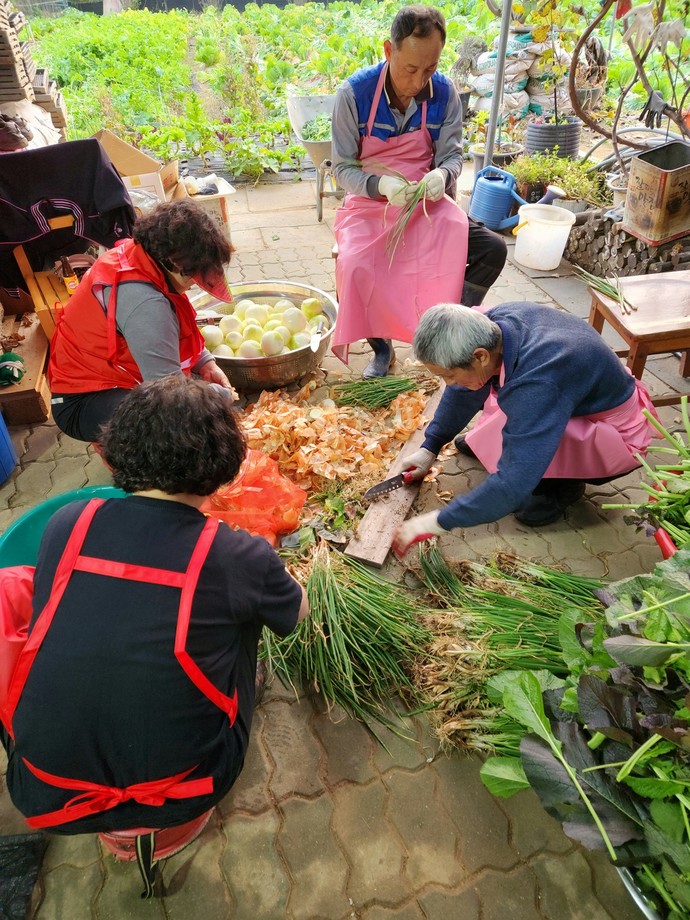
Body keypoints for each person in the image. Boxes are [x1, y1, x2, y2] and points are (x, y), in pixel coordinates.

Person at [2, 376, 308, 845]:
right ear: (224, 466)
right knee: (248, 617)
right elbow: (298, 613)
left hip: (45, 792)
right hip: (181, 791)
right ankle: (169, 818)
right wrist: (271, 574)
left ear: (118, 452)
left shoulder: (69, 523)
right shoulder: (236, 556)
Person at [392, 302, 658, 555]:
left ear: (480, 356)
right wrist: (431, 446)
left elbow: (511, 486)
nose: (448, 383)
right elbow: (463, 392)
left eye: (448, 375)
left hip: (614, 432)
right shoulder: (490, 326)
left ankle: (564, 487)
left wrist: (436, 522)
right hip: (566, 397)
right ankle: (520, 454)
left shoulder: (538, 383)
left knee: (526, 482)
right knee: (496, 397)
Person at [330, 5, 507, 379]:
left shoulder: (444, 93)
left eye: (430, 68)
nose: (418, 81)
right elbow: (342, 169)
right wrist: (381, 185)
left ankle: (450, 334)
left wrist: (442, 175)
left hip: (425, 202)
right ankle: (382, 349)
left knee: (492, 249)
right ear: (388, 50)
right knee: (354, 266)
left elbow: (452, 156)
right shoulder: (354, 94)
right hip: (370, 202)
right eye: (410, 68)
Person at [48, 198, 236, 443]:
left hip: (109, 377)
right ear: (175, 263)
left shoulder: (141, 256)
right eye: (193, 276)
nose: (193, 284)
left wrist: (205, 363)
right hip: (82, 401)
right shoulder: (146, 304)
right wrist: (219, 396)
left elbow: (177, 322)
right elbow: (171, 397)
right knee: (179, 423)